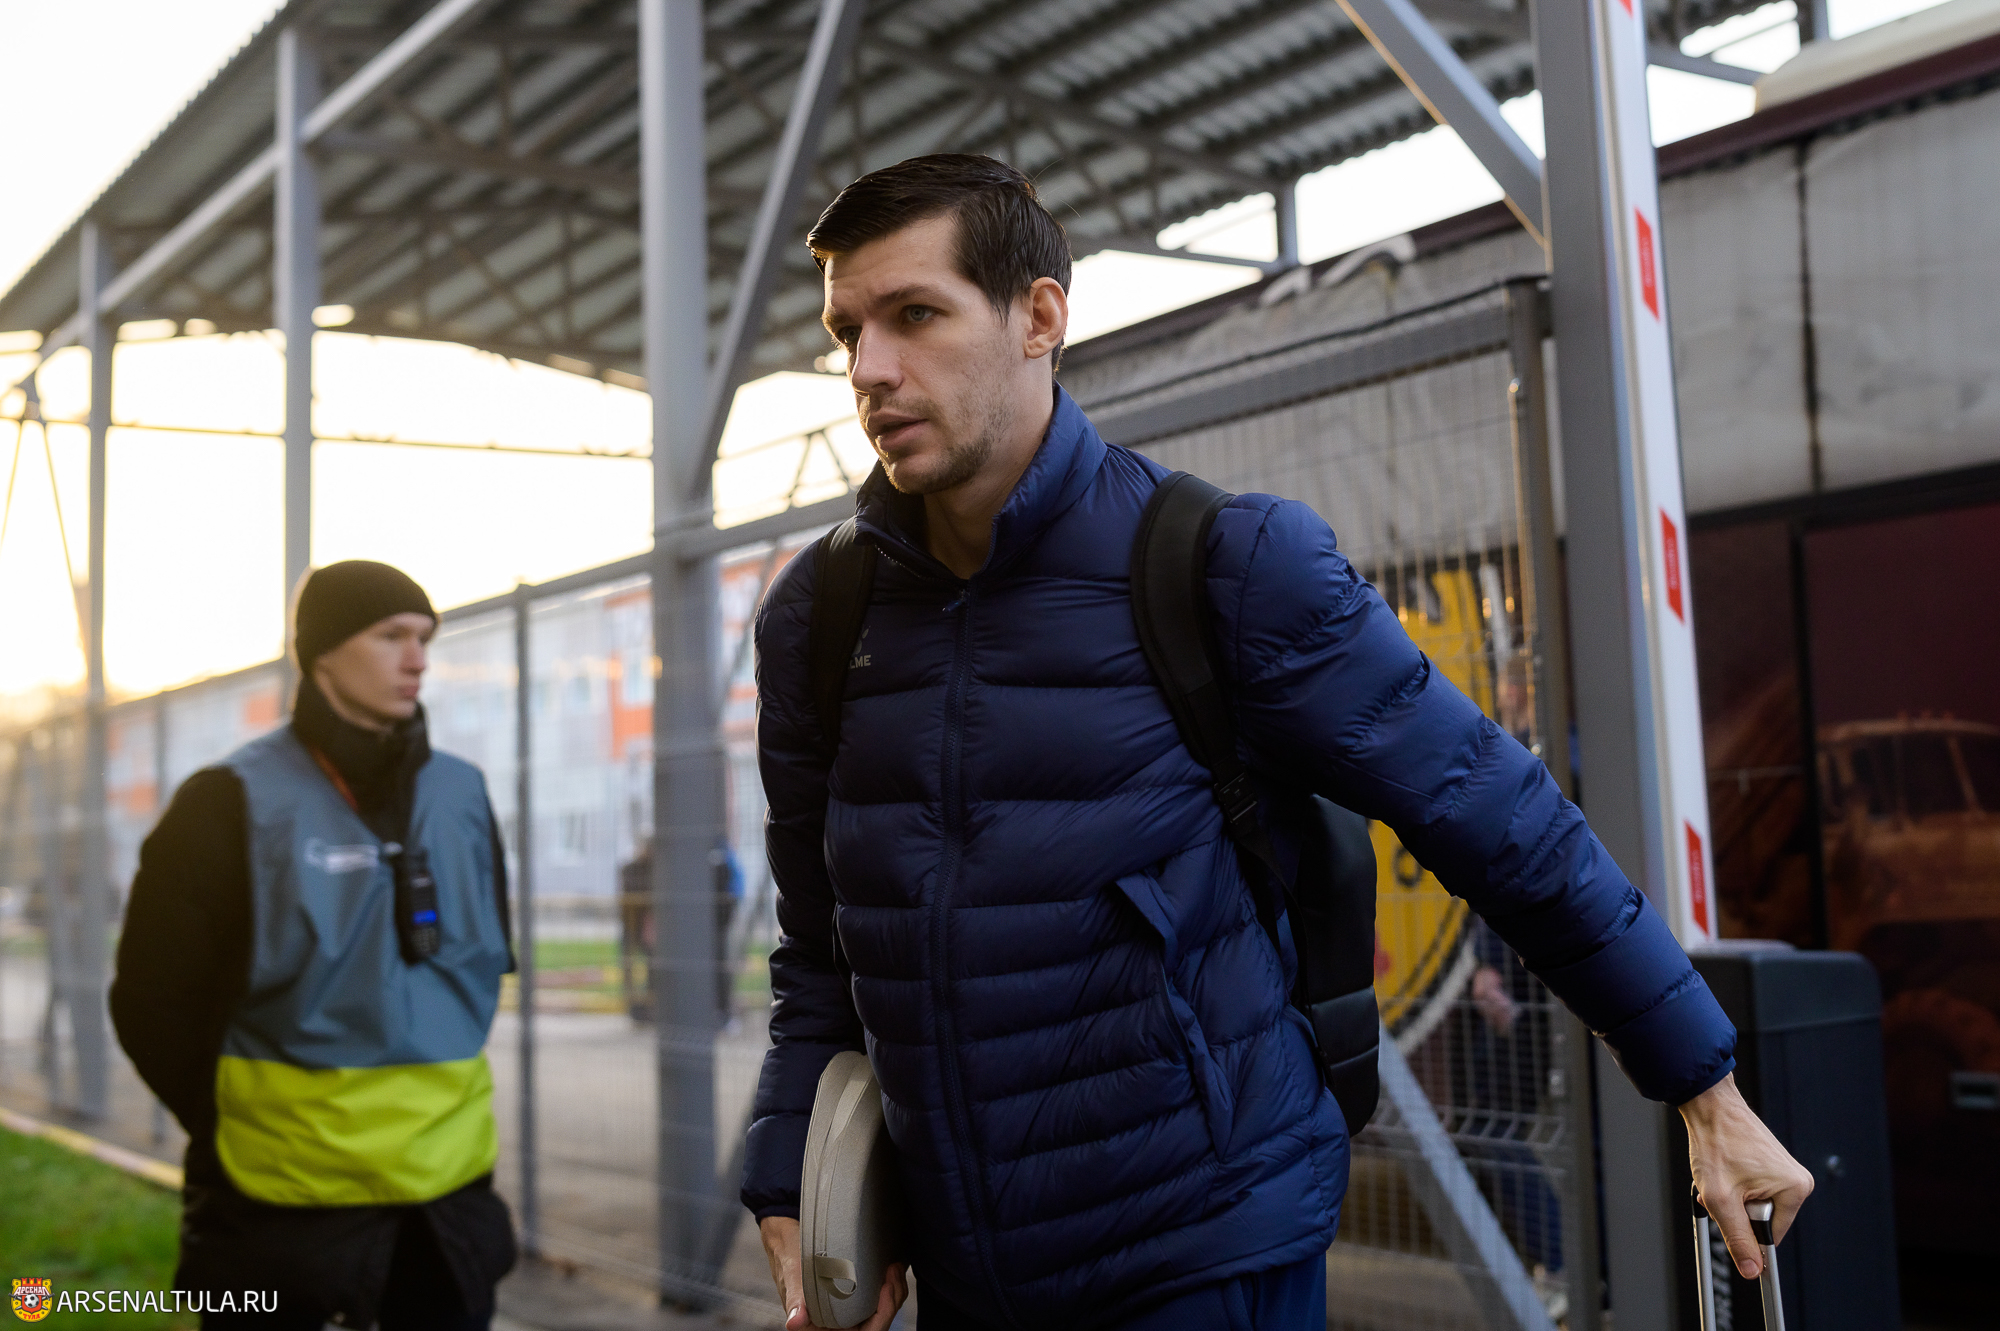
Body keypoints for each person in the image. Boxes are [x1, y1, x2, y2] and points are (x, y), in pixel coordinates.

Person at [743, 154, 1813, 1331]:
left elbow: (1494, 813)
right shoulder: (817, 620)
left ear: (1038, 317)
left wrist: (1703, 1087)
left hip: (1204, 1248)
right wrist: (788, 1163)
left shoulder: (1221, 564)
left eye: (914, 315)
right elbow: (819, 943)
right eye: (848, 332)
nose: (869, 368)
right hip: (967, 1271)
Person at [111, 560, 518, 1330]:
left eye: (425, 638)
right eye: (390, 635)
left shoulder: (464, 793)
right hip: (278, 1210)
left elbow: (480, 971)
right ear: (322, 650)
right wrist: (233, 1118)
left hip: (446, 1216)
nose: (417, 659)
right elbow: (152, 1002)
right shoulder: (225, 801)